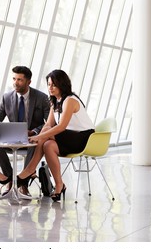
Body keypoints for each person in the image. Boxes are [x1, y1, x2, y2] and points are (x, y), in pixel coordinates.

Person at [16, 69, 95, 202]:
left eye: (54, 84)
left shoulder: (69, 100)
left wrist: (38, 137)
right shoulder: (55, 101)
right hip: (67, 137)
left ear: (62, 84)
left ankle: (29, 169)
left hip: (83, 138)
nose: (50, 88)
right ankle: (59, 185)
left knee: (45, 138)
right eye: (48, 84)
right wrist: (41, 136)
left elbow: (61, 126)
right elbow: (48, 125)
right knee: (48, 145)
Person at [0, 66, 50, 196]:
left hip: (32, 137)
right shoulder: (6, 98)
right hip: (13, 136)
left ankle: (23, 183)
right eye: (14, 79)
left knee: (35, 144)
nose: (15, 83)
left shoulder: (41, 98)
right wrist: (8, 130)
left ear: (29, 82)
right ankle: (10, 179)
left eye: (20, 80)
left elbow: (49, 123)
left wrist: (34, 131)